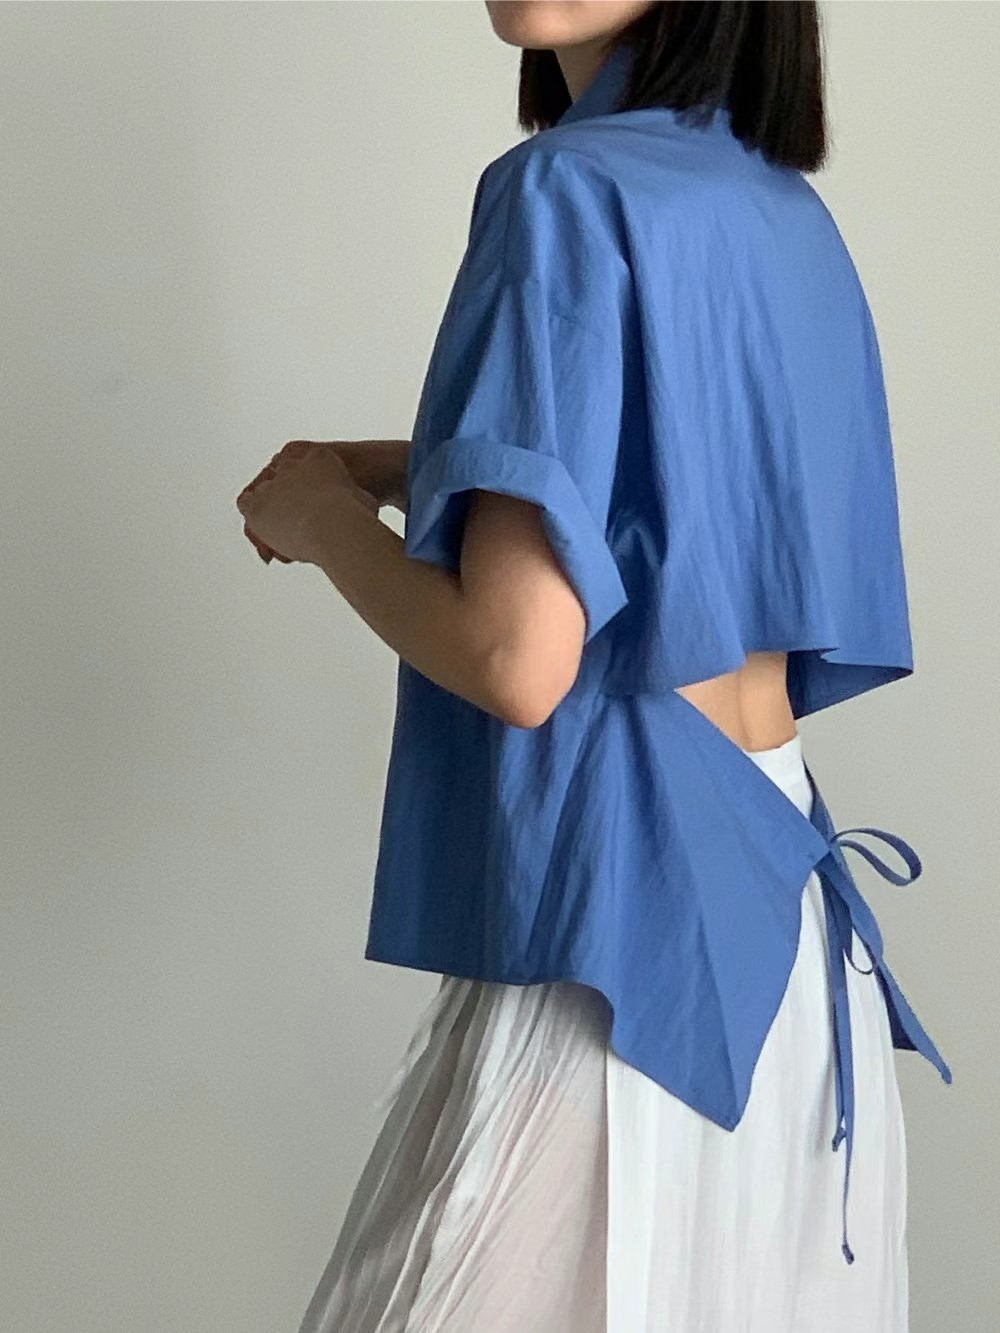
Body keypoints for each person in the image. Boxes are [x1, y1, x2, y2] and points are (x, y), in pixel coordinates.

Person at [236, 3, 953, 1329]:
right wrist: (407, 468)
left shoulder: (559, 190)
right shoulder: (773, 205)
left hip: (625, 955)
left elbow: (518, 657)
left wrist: (325, 521)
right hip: (789, 942)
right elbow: (673, 498)